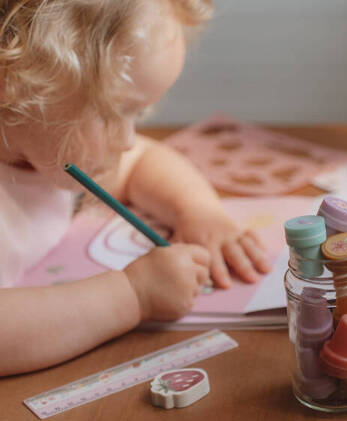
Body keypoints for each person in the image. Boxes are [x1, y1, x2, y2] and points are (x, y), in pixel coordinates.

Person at [0, 0, 271, 376]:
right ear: (13, 83)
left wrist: (198, 211)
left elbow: (141, 161)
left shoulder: (40, 142)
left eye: (139, 113)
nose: (128, 139)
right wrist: (132, 295)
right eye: (117, 111)